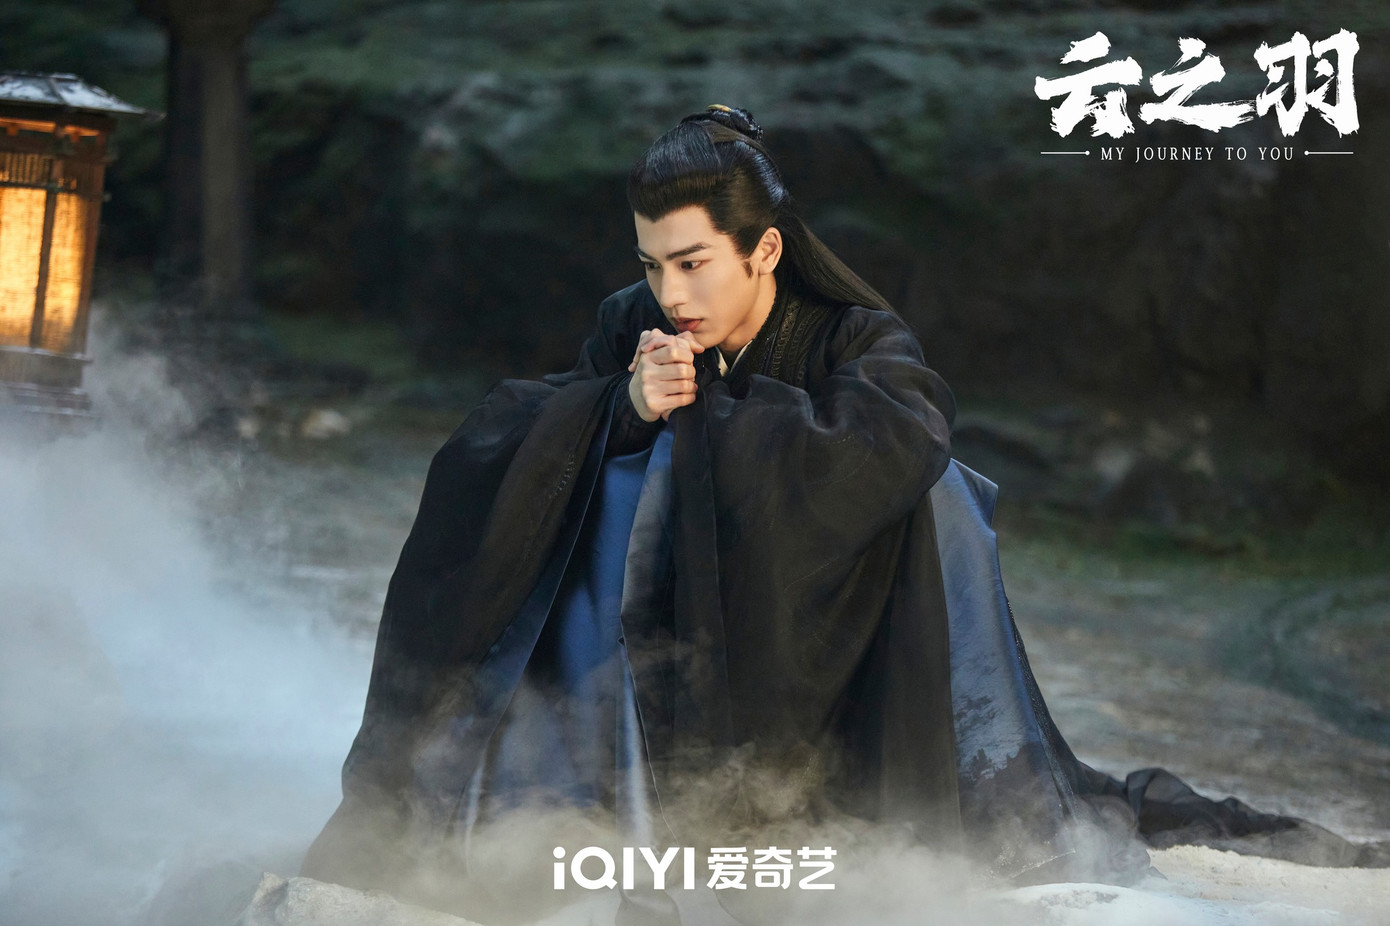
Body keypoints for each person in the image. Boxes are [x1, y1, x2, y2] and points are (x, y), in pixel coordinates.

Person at [300, 105, 1383, 923]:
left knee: (936, 502)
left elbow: (897, 446)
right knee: (595, 469)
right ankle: (585, 806)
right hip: (639, 664)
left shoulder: (856, 337)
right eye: (652, 264)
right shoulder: (633, 324)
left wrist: (709, 423)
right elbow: (520, 444)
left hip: (831, 656)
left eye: (693, 264)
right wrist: (621, 410)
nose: (670, 294)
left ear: (764, 250)